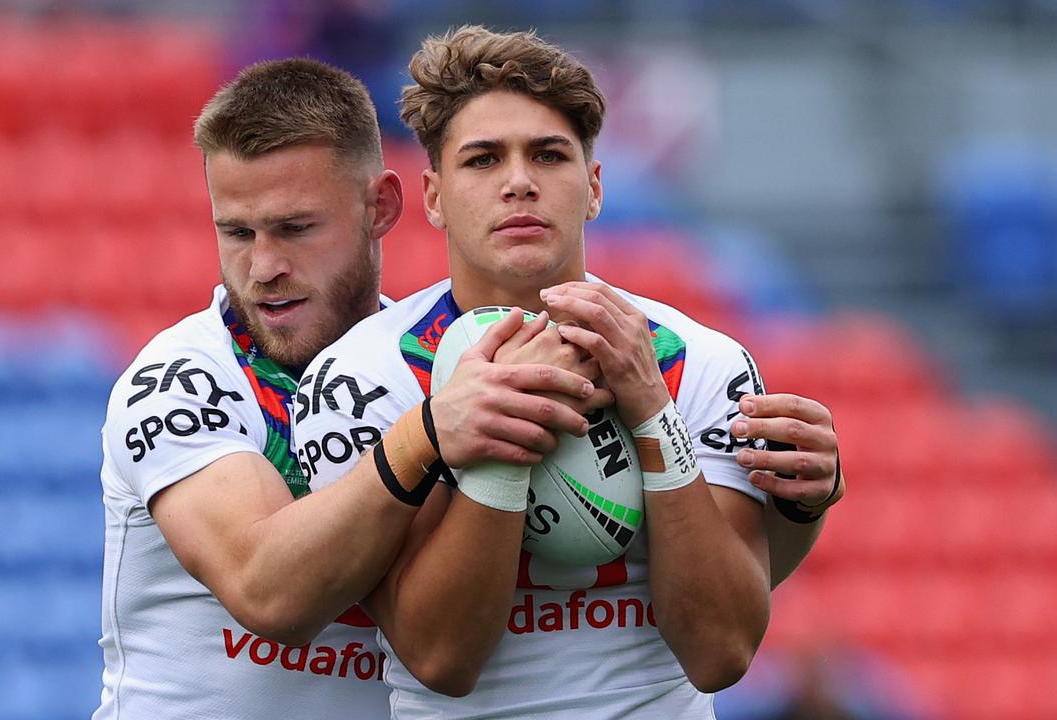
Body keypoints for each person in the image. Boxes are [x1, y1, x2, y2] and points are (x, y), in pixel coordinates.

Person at [291, 25, 845, 719]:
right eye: (483, 160)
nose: (518, 182)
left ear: (592, 187)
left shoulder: (696, 361)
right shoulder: (360, 377)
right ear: (433, 197)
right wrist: (502, 440)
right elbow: (440, 658)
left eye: (548, 156)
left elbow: (719, 652)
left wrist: (649, 407)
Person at [93, 57, 599, 719]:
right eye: (237, 232)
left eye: (296, 229)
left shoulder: (426, 364)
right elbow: (269, 596)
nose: (264, 267)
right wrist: (421, 438)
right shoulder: (180, 381)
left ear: (380, 207)